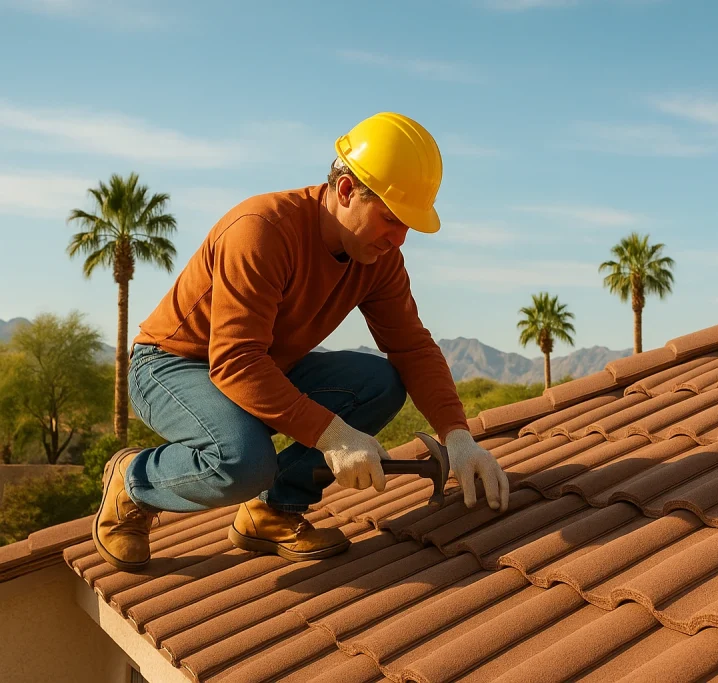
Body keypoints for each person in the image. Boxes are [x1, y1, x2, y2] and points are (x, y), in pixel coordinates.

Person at [92, 112, 510, 572]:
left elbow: (412, 347)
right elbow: (234, 361)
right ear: (347, 189)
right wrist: (333, 435)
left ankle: (273, 510)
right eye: (391, 219)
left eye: (408, 225)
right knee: (244, 461)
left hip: (263, 365)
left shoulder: (379, 259)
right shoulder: (261, 230)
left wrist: (458, 436)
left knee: (381, 382)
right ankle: (133, 482)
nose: (399, 238)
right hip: (171, 366)